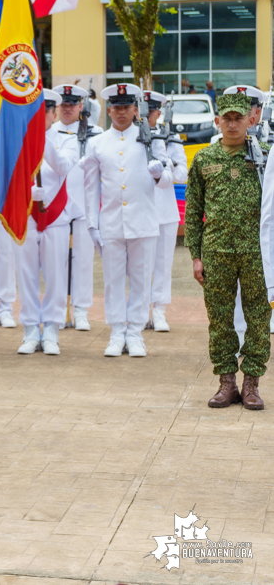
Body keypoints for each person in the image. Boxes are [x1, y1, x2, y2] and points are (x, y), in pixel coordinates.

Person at [190, 92, 268, 410]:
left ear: (251, 120)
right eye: (228, 118)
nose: (233, 124)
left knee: (259, 319)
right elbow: (193, 211)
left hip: (256, 253)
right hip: (216, 251)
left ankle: (251, 384)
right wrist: (196, 256)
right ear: (217, 121)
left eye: (239, 118)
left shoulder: (264, 158)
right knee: (220, 320)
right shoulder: (203, 160)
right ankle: (226, 383)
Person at [83, 84, 171, 357]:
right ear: (109, 110)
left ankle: (135, 333)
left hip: (143, 222)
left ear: (136, 110)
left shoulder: (150, 139)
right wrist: (91, 224)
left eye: (126, 107)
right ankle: (116, 332)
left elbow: (167, 180)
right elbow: (90, 187)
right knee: (113, 280)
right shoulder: (96, 142)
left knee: (141, 280)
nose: (121, 112)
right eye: (116, 107)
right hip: (111, 223)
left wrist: (158, 174)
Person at [15, 90, 79, 355]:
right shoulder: (17, 138)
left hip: (56, 215)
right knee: (27, 273)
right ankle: (30, 327)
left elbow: (64, 166)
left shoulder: (67, 139)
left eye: (46, 112)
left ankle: (51, 328)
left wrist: (41, 141)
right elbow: (12, 172)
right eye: (36, 113)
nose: (42, 116)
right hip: (26, 212)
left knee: (54, 274)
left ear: (54, 114)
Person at [52, 84, 104, 331]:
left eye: (72, 104)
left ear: (81, 106)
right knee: (57, 261)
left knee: (83, 260)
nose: (67, 109)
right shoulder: (48, 132)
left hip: (83, 204)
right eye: (63, 104)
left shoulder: (95, 133)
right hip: (55, 207)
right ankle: (59, 307)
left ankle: (81, 309)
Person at [144, 90, 188, 332]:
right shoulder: (131, 136)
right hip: (141, 209)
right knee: (139, 266)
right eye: (145, 109)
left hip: (165, 209)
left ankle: (159, 311)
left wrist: (167, 165)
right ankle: (141, 311)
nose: (149, 114)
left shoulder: (169, 136)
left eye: (152, 110)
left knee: (163, 264)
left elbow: (183, 174)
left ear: (159, 113)